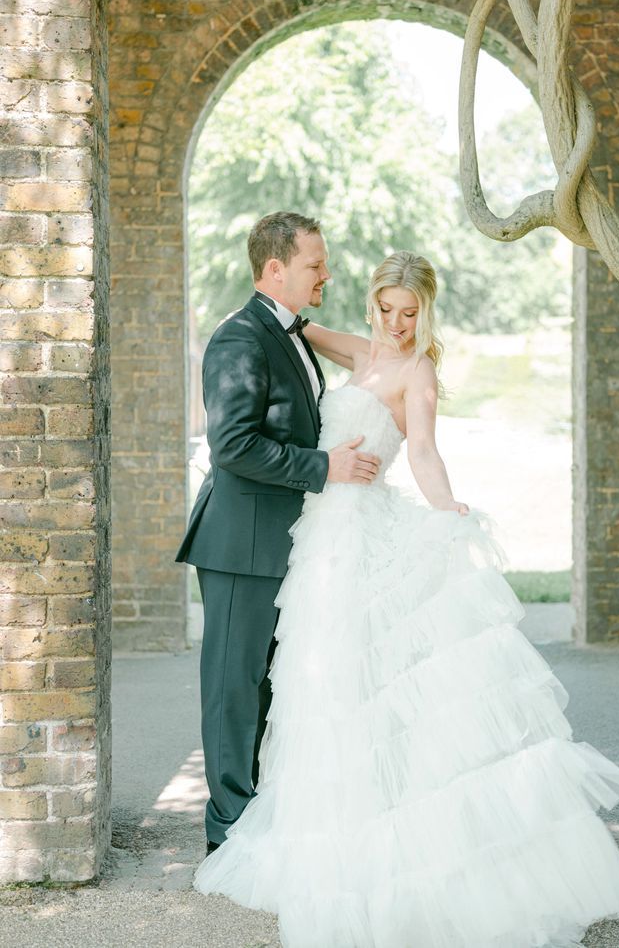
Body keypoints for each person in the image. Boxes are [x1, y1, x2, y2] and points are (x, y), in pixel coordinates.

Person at [193, 250, 619, 946]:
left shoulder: (418, 370)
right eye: (386, 310)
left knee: (362, 678)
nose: (397, 324)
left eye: (410, 314)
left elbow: (426, 450)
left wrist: (446, 508)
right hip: (317, 536)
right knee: (312, 679)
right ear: (373, 303)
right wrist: (264, 309)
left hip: (361, 529)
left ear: (425, 313)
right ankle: (320, 819)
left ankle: (381, 825)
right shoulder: (357, 347)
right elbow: (294, 327)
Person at [175, 211, 381, 856]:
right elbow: (234, 444)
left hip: (283, 542)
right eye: (316, 263)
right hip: (241, 544)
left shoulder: (288, 331)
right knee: (234, 689)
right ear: (276, 269)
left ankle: (260, 820)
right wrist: (327, 468)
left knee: (269, 685)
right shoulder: (240, 339)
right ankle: (229, 832)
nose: (327, 273)